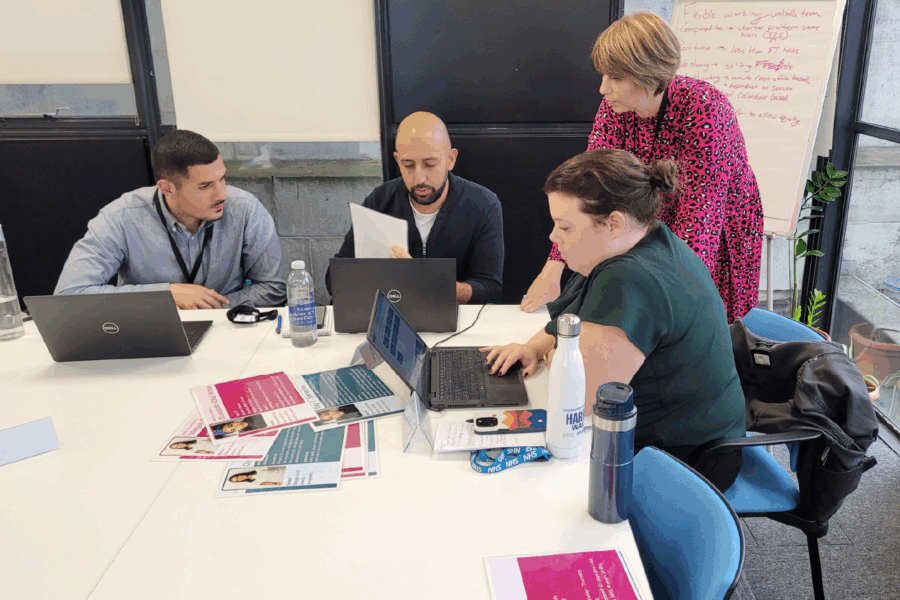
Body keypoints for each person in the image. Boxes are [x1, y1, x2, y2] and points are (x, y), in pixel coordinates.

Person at [483, 149, 746, 491]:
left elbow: (584, 399)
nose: (552, 236)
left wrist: (556, 354)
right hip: (702, 437)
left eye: (564, 226)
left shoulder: (628, 277)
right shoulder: (638, 241)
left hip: (686, 462)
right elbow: (570, 318)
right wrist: (533, 347)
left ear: (614, 222)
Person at [521, 11, 763, 323]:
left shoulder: (706, 110)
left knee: (691, 315)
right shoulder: (615, 107)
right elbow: (588, 188)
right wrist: (554, 267)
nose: (603, 88)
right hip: (653, 215)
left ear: (648, 73)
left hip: (715, 227)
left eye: (616, 78)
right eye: (604, 75)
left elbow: (699, 225)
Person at [55, 129, 286, 309]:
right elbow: (69, 295)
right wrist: (166, 295)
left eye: (222, 179)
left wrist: (209, 307)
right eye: (205, 186)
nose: (222, 194)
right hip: (149, 329)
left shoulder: (245, 209)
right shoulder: (121, 217)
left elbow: (274, 289)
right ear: (167, 188)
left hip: (228, 325)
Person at [325, 112, 504, 304]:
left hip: (456, 321)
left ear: (450, 160)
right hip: (393, 315)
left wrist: (424, 281)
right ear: (397, 160)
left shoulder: (483, 204)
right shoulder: (379, 202)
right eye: (408, 165)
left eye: (430, 164)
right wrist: (374, 274)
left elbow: (490, 289)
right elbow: (333, 280)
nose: (419, 178)